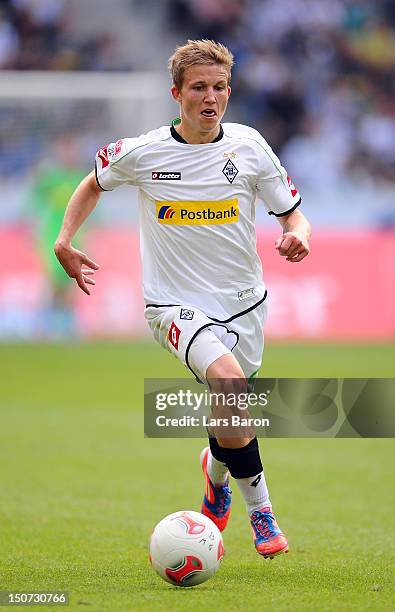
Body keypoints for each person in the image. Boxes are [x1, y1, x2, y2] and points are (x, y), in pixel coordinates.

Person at [54, 39, 311, 560]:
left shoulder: (250, 148)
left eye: (219, 87)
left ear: (229, 92)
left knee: (231, 413)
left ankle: (215, 476)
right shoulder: (145, 151)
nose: (210, 97)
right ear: (177, 94)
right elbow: (93, 182)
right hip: (172, 305)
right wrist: (65, 238)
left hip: (245, 305)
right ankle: (262, 513)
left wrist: (299, 232)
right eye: (198, 88)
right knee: (230, 383)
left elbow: (292, 211)